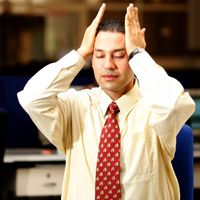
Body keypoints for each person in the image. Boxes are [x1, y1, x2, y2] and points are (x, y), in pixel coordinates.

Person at [17, 3, 195, 200]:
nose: (108, 65)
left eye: (119, 55)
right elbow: (32, 98)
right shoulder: (76, 107)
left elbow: (177, 106)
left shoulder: (155, 108)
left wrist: (138, 54)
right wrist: (80, 53)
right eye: (99, 55)